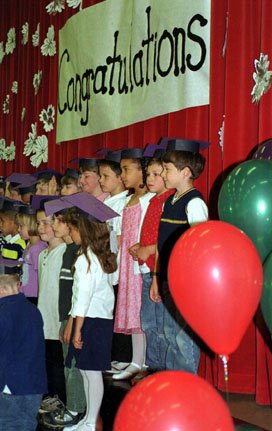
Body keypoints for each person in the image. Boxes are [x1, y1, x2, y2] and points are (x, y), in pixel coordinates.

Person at [150, 138, 209, 373]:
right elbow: (160, 243)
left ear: (185, 172)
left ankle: (188, 388)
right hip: (166, 279)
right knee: (168, 334)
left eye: (167, 169)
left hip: (185, 282)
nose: (163, 174)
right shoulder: (169, 202)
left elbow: (199, 247)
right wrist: (156, 276)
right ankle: (174, 386)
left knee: (183, 338)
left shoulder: (194, 203)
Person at [62, 196, 117, 431]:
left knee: (92, 372)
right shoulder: (88, 256)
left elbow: (83, 299)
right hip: (90, 319)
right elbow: (78, 299)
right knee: (85, 369)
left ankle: (93, 420)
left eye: (73, 229)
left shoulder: (88, 259)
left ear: (82, 230)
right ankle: (87, 419)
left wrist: (76, 328)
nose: (71, 234)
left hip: (93, 321)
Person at [40, 207, 85, 429]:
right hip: (66, 315)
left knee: (72, 365)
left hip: (75, 316)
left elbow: (78, 292)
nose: (54, 225)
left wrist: (69, 319)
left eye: (58, 221)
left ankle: (76, 409)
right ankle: (71, 406)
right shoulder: (69, 250)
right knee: (67, 363)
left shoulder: (77, 251)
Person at [113, 148, 154, 380]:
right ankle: (136, 360)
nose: (123, 175)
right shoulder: (130, 199)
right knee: (132, 311)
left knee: (142, 312)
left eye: (127, 170)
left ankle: (144, 360)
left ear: (142, 171)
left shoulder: (148, 199)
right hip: (128, 263)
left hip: (140, 263)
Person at [129, 155, 174, 371]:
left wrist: (148, 249)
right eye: (148, 174)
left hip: (160, 269)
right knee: (148, 323)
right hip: (148, 270)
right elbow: (150, 232)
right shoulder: (152, 200)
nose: (150, 178)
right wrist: (140, 245)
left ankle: (164, 370)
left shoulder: (170, 201)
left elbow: (167, 236)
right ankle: (153, 368)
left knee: (163, 325)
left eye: (156, 174)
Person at [98, 152, 132, 372]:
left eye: (106, 176)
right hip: (106, 263)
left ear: (120, 178)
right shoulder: (107, 201)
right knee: (110, 310)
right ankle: (113, 354)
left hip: (118, 264)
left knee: (121, 309)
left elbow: (120, 236)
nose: (101, 181)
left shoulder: (124, 203)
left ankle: (124, 356)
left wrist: (104, 237)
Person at [0, 273, 47, 431]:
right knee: (27, 424)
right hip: (34, 383)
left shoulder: (3, 312)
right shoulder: (33, 310)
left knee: (7, 424)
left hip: (10, 385)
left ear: (2, 289)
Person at [36, 199, 67, 408]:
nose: (41, 227)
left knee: (58, 361)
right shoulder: (42, 254)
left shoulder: (64, 252)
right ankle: (49, 395)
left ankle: (60, 398)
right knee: (47, 360)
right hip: (44, 318)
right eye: (38, 223)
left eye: (46, 222)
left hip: (57, 319)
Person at [16, 205, 46, 305]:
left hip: (34, 296)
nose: (18, 230)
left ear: (32, 225)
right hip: (25, 293)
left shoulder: (38, 249)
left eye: (21, 226)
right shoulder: (29, 246)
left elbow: (41, 276)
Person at [0, 198, 26, 275]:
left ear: (14, 222)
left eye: (3, 221)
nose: (0, 225)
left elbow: (10, 272)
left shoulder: (19, 245)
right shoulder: (7, 241)